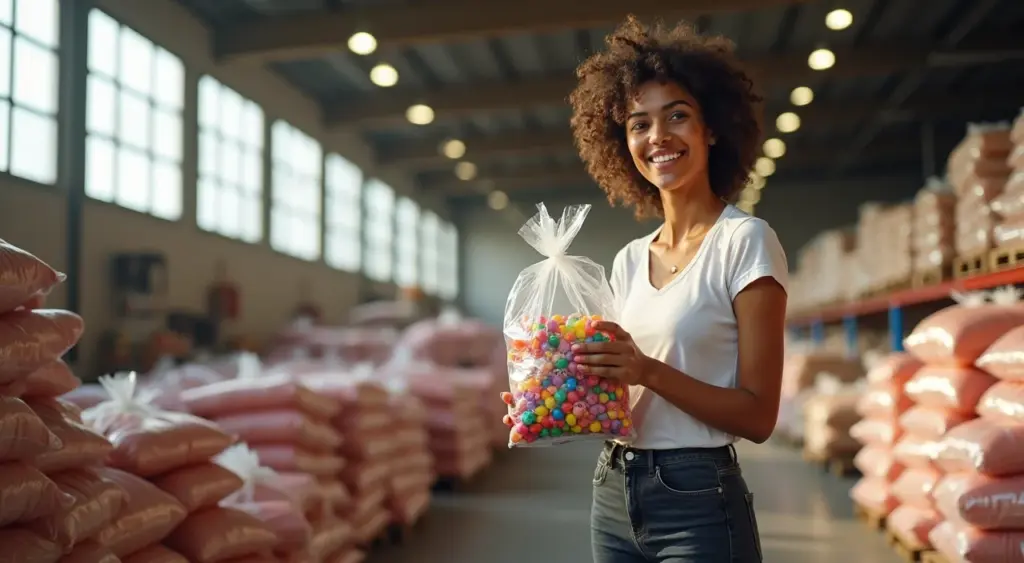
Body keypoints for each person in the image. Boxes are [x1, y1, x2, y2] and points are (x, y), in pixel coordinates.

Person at [567, 16, 789, 563]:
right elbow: (621, 394)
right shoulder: (627, 260)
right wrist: (549, 398)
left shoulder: (745, 242)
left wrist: (647, 370)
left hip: (698, 500)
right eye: (639, 124)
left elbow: (758, 417)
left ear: (711, 128)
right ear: (622, 142)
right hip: (612, 489)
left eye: (677, 116)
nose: (658, 137)